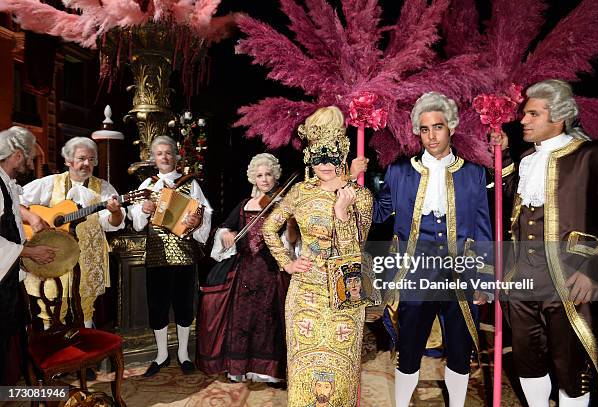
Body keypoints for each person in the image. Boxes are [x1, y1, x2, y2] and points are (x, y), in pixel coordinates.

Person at [354, 92, 492, 407]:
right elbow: (376, 214)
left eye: (438, 127)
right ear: (417, 130)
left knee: (460, 347)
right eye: (425, 128)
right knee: (410, 346)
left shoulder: (473, 173)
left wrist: (484, 277)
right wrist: (355, 182)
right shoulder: (399, 171)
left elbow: (483, 227)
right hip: (413, 271)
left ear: (451, 127)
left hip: (460, 272)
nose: (431, 135)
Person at [491, 79, 598, 407]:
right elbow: (512, 205)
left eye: (533, 114)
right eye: (524, 114)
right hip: (522, 280)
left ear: (557, 117)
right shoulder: (528, 159)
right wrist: (503, 157)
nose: (523, 120)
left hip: (569, 280)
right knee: (527, 362)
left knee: (571, 367)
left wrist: (595, 269)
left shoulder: (593, 156)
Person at [262, 106, 373, 407]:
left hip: (345, 295)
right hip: (305, 293)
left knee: (344, 370)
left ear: (343, 154)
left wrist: (341, 213)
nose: (325, 163)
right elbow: (268, 229)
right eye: (318, 154)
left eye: (332, 155)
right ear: (309, 156)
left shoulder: (360, 197)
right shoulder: (299, 192)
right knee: (303, 370)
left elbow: (354, 254)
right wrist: (287, 262)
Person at [197, 153, 291, 383]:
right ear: (253, 179)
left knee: (269, 319)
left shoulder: (282, 204)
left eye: (269, 174)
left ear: (275, 175)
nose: (265, 179)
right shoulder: (244, 205)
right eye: (260, 175)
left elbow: (291, 237)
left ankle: (267, 371)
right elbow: (225, 228)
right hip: (245, 271)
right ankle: (242, 368)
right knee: (243, 318)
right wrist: (227, 234)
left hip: (271, 269)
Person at [128, 135, 212, 377]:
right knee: (158, 305)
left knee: (185, 306)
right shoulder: (147, 186)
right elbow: (136, 223)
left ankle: (184, 354)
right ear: (153, 159)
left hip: (184, 254)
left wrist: (197, 221)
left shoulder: (191, 185)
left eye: (168, 153)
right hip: (156, 253)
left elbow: (205, 215)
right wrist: (143, 210)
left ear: (176, 156)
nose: (164, 157)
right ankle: (162, 354)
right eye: (159, 153)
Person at [21, 136, 125, 330]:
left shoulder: (103, 188)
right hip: (53, 255)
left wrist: (116, 211)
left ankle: (85, 350)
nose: (87, 163)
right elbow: (15, 202)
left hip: (88, 258)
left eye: (91, 159)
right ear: (68, 161)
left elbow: (114, 224)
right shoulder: (50, 183)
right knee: (49, 305)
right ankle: (51, 349)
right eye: (81, 158)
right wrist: (33, 218)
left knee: (86, 306)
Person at [0, 126, 57, 384]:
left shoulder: (7, 185)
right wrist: (30, 251)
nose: (33, 166)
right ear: (18, 155)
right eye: (32, 158)